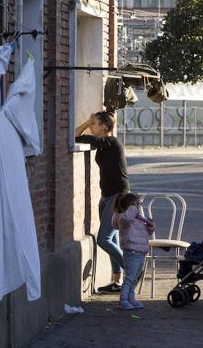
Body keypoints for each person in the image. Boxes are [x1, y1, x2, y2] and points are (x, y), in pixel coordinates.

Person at [75, 111, 130, 293]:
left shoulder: (111, 142)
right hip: (106, 197)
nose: (91, 126)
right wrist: (88, 120)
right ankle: (117, 281)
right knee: (112, 238)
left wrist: (86, 123)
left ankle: (132, 271)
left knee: (103, 239)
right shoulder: (103, 144)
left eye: (94, 124)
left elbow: (77, 136)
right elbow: (77, 136)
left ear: (104, 128)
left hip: (118, 196)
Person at [112, 192, 154, 310]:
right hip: (132, 251)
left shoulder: (138, 218)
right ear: (131, 207)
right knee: (129, 277)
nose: (139, 207)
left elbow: (148, 232)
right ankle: (123, 299)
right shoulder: (123, 217)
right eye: (137, 205)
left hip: (141, 251)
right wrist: (133, 209)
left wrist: (150, 225)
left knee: (135, 277)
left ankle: (131, 298)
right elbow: (122, 221)